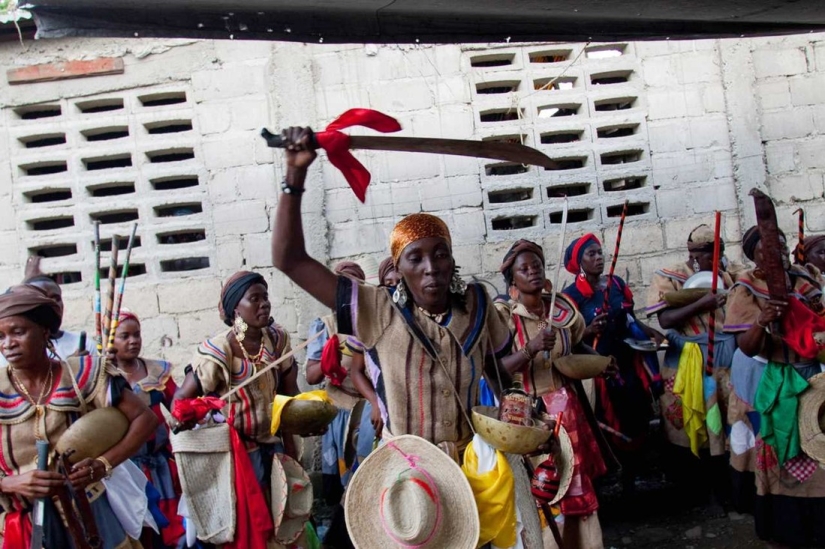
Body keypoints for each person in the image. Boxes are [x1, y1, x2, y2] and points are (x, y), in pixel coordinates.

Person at [271, 127, 548, 547]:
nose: (431, 266)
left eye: (440, 253)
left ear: (452, 259)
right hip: (407, 473)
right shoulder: (376, 309)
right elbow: (289, 259)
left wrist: (521, 414)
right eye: (415, 257)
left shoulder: (477, 304)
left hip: (472, 469)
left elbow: (502, 373)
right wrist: (294, 176)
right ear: (397, 270)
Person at [0, 284, 159, 548]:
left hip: (91, 512)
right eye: (1, 336)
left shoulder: (83, 375)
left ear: (44, 330)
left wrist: (102, 465)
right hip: (24, 526)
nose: (8, 344)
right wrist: (11, 483)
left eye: (18, 332)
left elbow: (146, 420)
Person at [497, 239, 607, 549]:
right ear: (512, 279)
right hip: (529, 416)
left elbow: (576, 345)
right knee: (545, 490)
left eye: (537, 266)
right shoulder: (503, 314)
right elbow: (496, 369)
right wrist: (530, 349)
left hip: (568, 410)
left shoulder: (561, 308)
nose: (532, 272)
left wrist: (599, 364)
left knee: (576, 487)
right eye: (524, 268)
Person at [724, 226, 825, 546]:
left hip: (815, 377)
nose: (777, 252)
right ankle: (789, 530)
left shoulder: (804, 280)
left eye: (780, 245)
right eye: (766, 248)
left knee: (819, 448)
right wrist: (763, 319)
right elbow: (748, 347)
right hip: (780, 380)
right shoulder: (747, 288)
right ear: (753, 255)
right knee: (788, 452)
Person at [174, 271, 301, 485]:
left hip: (273, 443)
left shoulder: (277, 339)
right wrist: (184, 416)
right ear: (236, 309)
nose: (264, 304)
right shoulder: (219, 350)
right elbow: (181, 398)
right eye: (254, 299)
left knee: (282, 508)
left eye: (265, 297)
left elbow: (289, 394)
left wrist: (294, 440)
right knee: (248, 513)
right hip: (236, 452)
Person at [561, 233, 662, 495]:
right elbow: (565, 338)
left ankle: (632, 476)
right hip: (599, 368)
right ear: (579, 262)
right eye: (591, 254)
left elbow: (629, 318)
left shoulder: (615, 285)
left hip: (627, 361)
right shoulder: (571, 296)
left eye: (599, 252)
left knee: (637, 413)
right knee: (606, 418)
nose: (598, 257)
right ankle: (611, 479)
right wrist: (589, 330)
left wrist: (650, 331)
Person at [645, 224, 736, 508]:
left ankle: (729, 490)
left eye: (715, 254)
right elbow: (665, 320)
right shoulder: (669, 276)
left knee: (725, 421)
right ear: (693, 254)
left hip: (725, 357)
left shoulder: (729, 274)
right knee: (688, 423)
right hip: (686, 357)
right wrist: (702, 303)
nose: (711, 261)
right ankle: (695, 491)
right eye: (703, 255)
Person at [109, 308, 184, 548]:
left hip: (161, 464)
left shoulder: (157, 371)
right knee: (140, 527)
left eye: (137, 335)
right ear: (111, 340)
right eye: (125, 336)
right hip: (126, 468)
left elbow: (179, 406)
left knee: (172, 527)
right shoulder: (103, 378)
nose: (133, 341)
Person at [0, 258, 96, 367]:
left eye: (56, 298)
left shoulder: (84, 344)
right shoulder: (8, 354)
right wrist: (69, 367)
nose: (8, 344)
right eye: (44, 299)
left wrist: (78, 369)